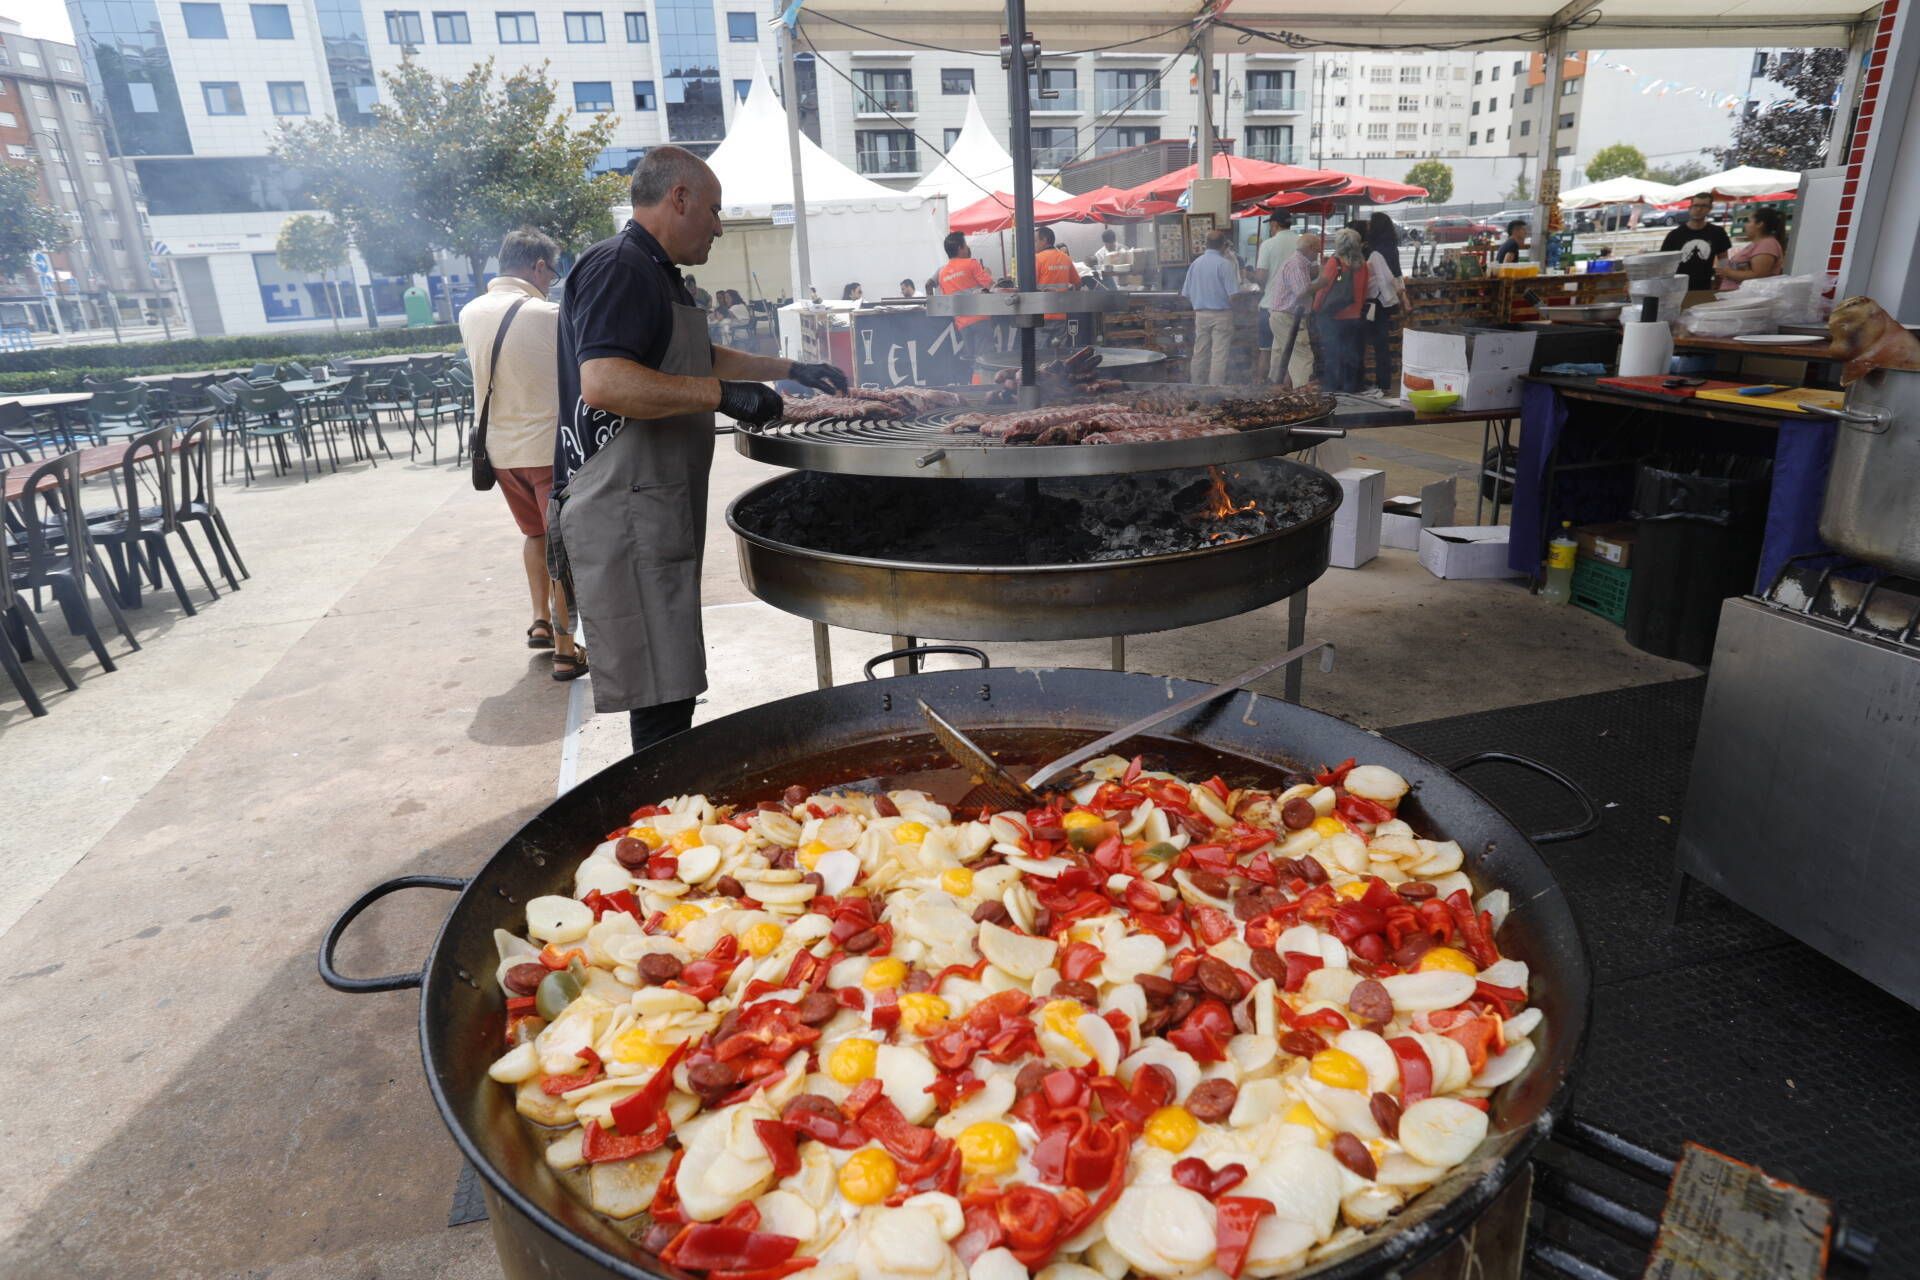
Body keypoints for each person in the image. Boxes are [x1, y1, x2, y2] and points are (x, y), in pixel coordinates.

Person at [553, 146, 848, 755]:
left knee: (671, 672)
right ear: (678, 198)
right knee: (659, 683)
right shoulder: (619, 267)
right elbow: (605, 380)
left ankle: (666, 792)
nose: (718, 225)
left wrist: (791, 367)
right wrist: (725, 398)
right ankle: (662, 808)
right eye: (713, 211)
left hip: (653, 500)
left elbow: (699, 356)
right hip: (626, 503)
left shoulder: (658, 272)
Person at [458, 227, 584, 681]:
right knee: (562, 548)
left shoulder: (469, 312)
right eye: (551, 270)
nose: (552, 279)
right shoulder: (549, 315)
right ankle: (567, 650)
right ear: (536, 266)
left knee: (534, 536)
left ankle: (540, 620)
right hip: (546, 450)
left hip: (498, 452)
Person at [1310, 227, 1369, 393]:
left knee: (1332, 354)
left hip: (1333, 317)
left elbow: (1323, 289)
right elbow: (1364, 291)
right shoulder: (1363, 264)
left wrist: (1316, 309)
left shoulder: (1335, 263)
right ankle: (1350, 388)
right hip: (1355, 317)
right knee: (1351, 355)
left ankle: (1332, 389)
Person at [1361, 212, 1412, 399]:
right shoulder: (1391, 247)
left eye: (1370, 224)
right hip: (1388, 302)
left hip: (1377, 301)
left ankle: (1381, 384)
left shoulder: (1374, 252)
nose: (1367, 227)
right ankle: (1384, 383)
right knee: (1382, 344)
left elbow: (1384, 278)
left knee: (1377, 343)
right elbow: (1398, 276)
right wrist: (1404, 299)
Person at [1182, 228, 1240, 385]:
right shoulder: (1225, 264)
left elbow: (1186, 293)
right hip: (1221, 315)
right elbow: (1233, 295)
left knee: (1199, 352)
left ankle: (1196, 386)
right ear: (1223, 245)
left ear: (1205, 245)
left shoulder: (1195, 264)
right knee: (1219, 354)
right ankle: (1214, 389)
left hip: (1201, 314)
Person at [1267, 231, 1323, 388]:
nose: (1317, 255)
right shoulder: (1297, 264)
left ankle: (1275, 389)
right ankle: (1303, 394)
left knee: (1280, 356)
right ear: (1310, 248)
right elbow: (1302, 290)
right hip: (1288, 317)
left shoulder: (1298, 263)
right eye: (1317, 251)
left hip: (1282, 315)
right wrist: (1322, 282)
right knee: (1302, 356)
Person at [1252, 212, 1300, 376]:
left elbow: (1261, 277)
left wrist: (1252, 277)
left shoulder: (1268, 245)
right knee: (1292, 354)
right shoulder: (1302, 242)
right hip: (1295, 308)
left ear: (1274, 225)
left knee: (1266, 351)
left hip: (1269, 305)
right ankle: (1288, 391)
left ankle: (1263, 388)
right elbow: (1314, 271)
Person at [937, 230, 996, 359]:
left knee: (974, 361)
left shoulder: (942, 273)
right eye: (965, 244)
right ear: (960, 248)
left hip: (962, 324)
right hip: (980, 319)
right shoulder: (971, 263)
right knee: (986, 359)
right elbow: (991, 285)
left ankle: (974, 379)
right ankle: (984, 380)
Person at [1661, 194, 1732, 293]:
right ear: (1690, 207)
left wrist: (1720, 280)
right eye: (1696, 205)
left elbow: (1723, 259)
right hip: (1677, 288)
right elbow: (1664, 263)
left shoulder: (1718, 232)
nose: (1698, 209)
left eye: (1703, 206)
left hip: (1705, 286)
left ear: (1709, 209)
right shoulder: (1675, 235)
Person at [1715, 207, 1787, 291]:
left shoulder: (1767, 244)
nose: (1745, 225)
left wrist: (1728, 272)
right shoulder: (1759, 243)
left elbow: (1759, 275)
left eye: (1749, 221)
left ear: (1760, 224)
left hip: (1747, 297)